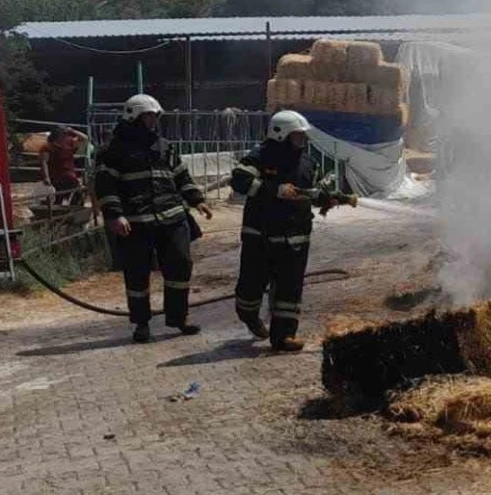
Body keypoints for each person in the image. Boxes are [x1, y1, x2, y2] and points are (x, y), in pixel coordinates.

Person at [94, 94, 213, 343]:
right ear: (133, 117)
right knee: (137, 275)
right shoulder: (113, 150)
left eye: (155, 116)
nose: (152, 121)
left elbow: (181, 176)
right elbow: (106, 186)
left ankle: (178, 318)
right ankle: (141, 323)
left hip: (171, 218)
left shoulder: (164, 145)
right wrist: (115, 215)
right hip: (136, 223)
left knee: (180, 265)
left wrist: (197, 200)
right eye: (148, 116)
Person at [231, 110, 343, 352]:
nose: (302, 140)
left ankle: (284, 336)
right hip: (260, 235)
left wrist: (327, 198)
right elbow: (239, 180)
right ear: (280, 134)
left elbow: (317, 189)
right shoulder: (259, 157)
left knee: (289, 287)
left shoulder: (307, 162)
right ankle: (248, 314)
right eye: (297, 135)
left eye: (303, 135)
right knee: (251, 287)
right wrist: (275, 190)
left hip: (295, 236)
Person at [39, 126, 88, 206]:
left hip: (69, 176)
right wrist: (46, 177)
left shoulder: (68, 142)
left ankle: (74, 214)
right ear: (58, 136)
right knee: (58, 199)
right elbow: (44, 162)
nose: (66, 136)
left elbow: (85, 138)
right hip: (56, 177)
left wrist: (71, 130)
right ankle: (57, 215)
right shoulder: (47, 147)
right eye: (63, 134)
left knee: (76, 198)